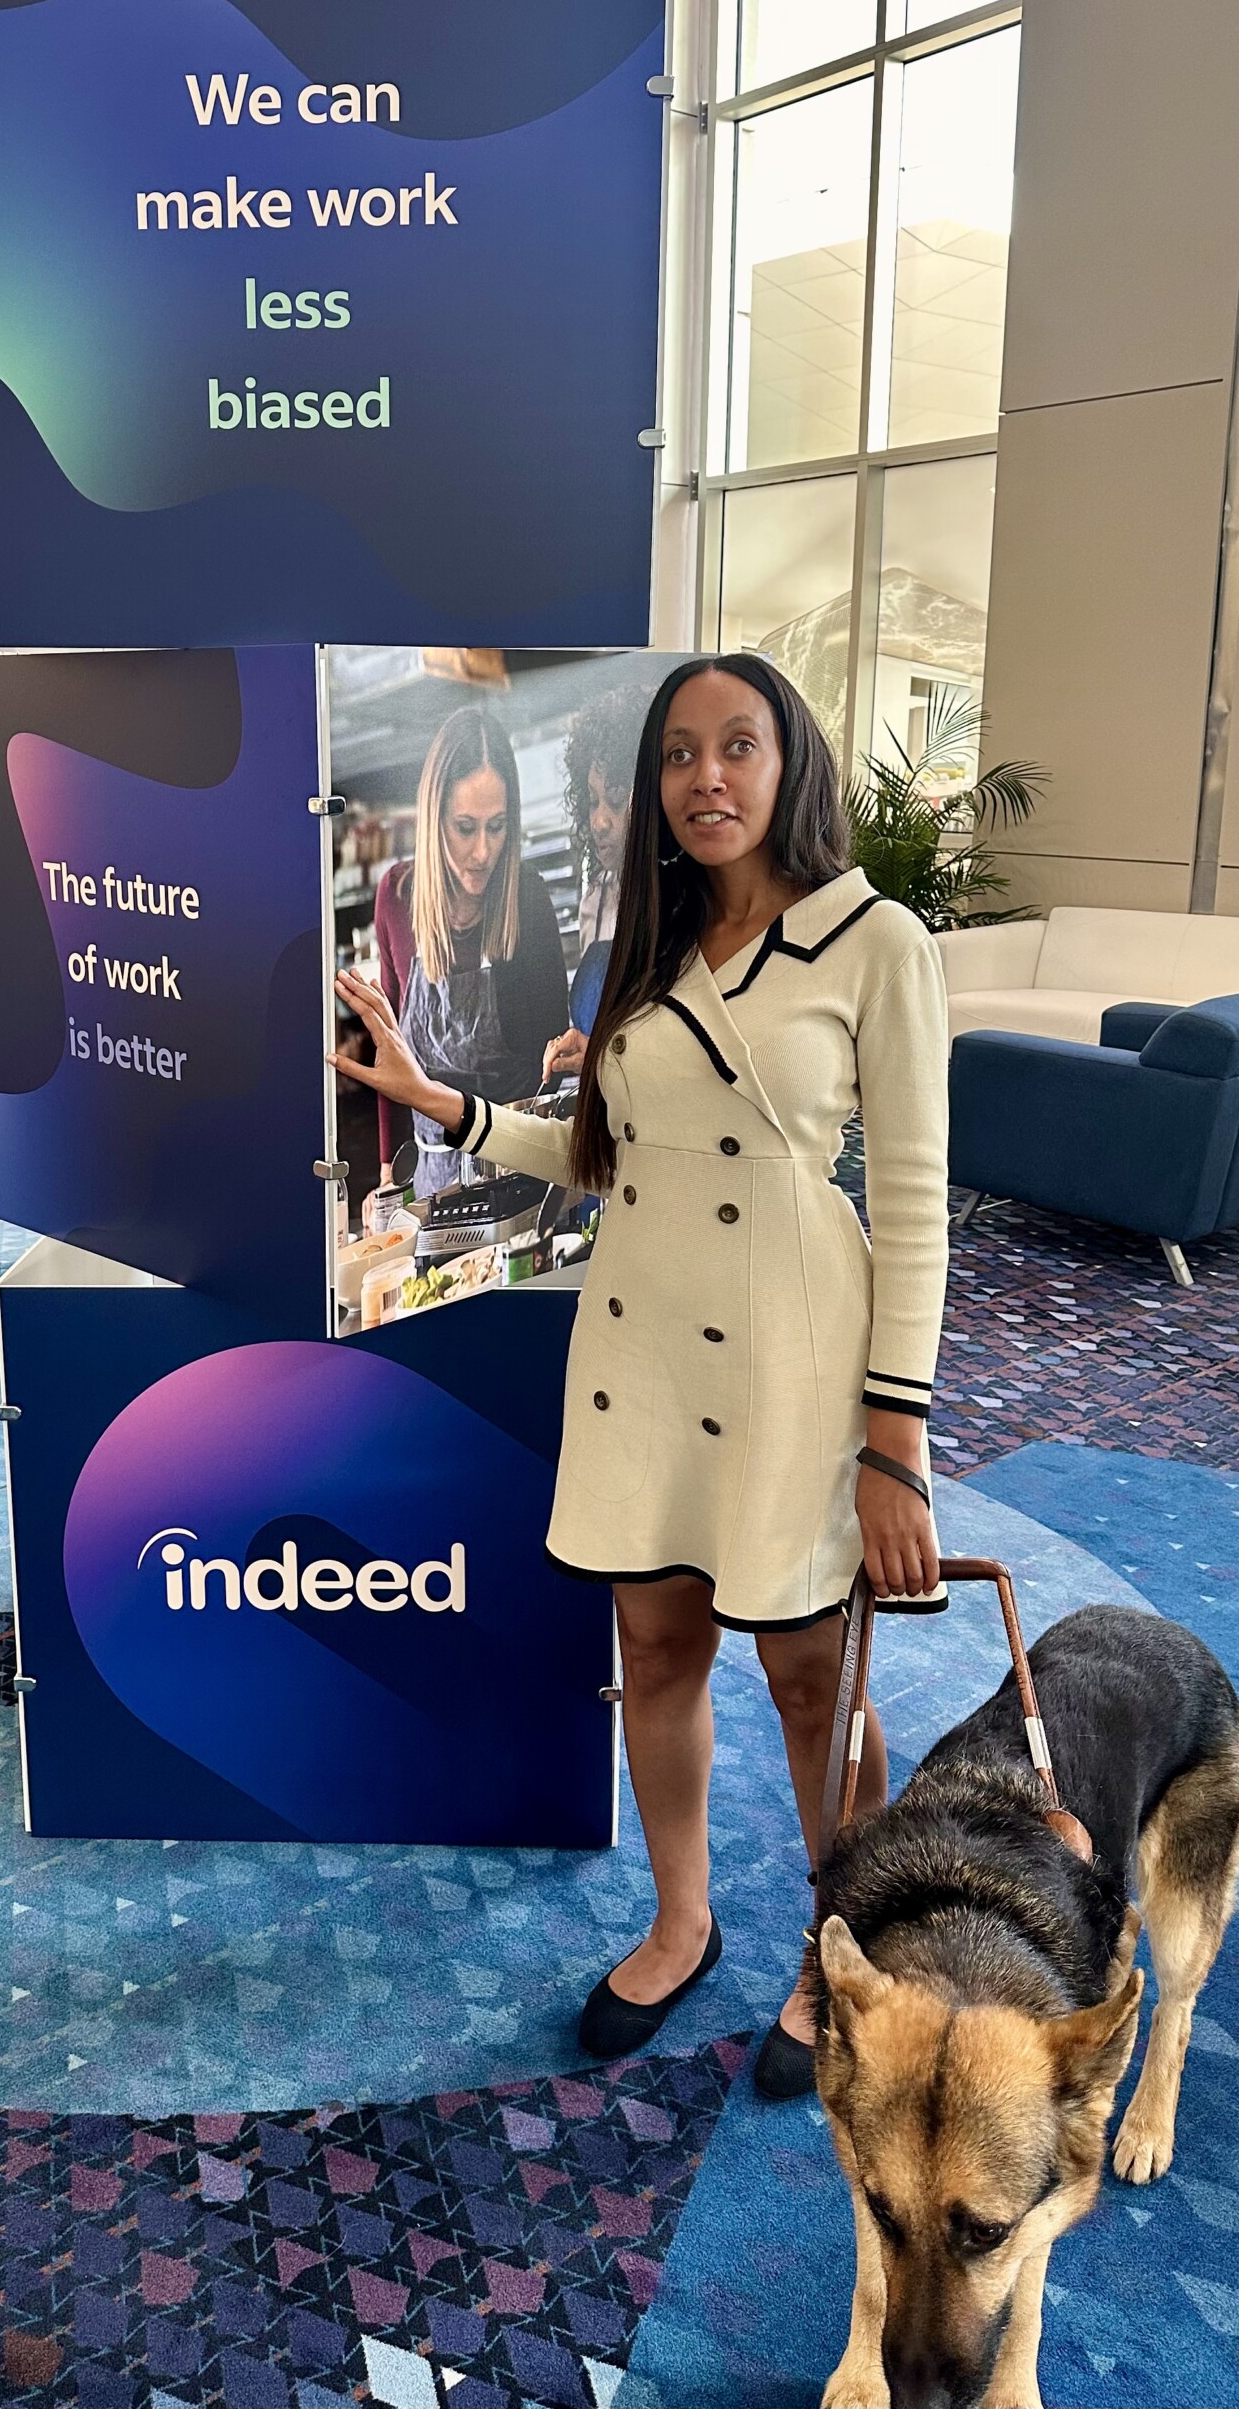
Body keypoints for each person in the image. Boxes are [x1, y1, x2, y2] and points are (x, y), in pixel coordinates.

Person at [333, 653, 949, 2100]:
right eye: (680, 754)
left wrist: (893, 1438)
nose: (708, 777)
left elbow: (916, 1206)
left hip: (797, 1353)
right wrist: (443, 1103)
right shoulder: (648, 944)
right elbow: (603, 1157)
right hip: (640, 1349)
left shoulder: (875, 940)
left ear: (789, 764)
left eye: (739, 746)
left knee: (812, 1678)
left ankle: (843, 1947)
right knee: (656, 1653)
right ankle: (682, 1920)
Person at [371, 705, 568, 1194]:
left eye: (497, 827)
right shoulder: (396, 900)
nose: (483, 851)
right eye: (465, 827)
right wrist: (387, 1173)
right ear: (434, 819)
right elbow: (390, 1053)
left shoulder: (528, 901)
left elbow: (555, 1065)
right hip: (431, 1182)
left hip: (520, 1174)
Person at [543, 684, 644, 1084]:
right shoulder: (596, 900)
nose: (599, 821)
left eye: (616, 802)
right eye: (591, 800)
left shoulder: (687, 905)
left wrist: (604, 1059)